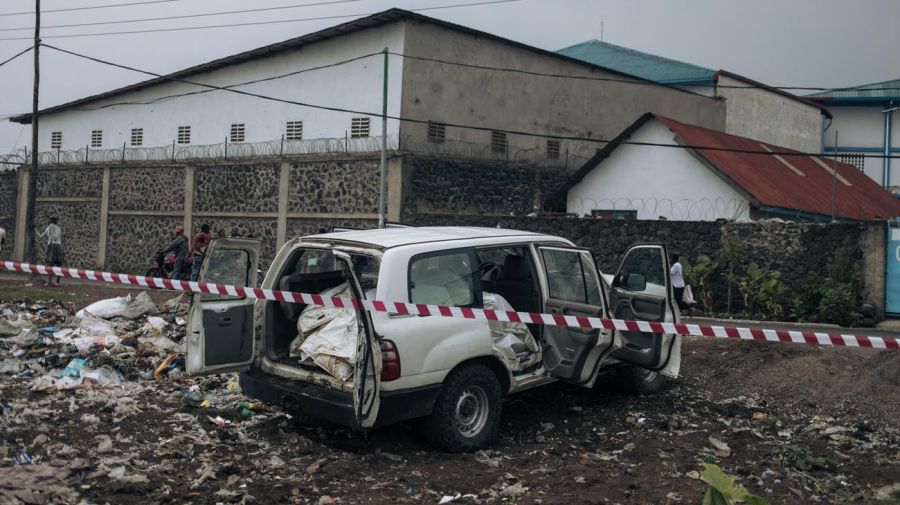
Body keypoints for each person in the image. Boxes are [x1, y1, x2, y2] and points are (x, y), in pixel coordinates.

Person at [37, 217, 64, 286]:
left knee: (58, 264)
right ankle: (51, 281)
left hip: (56, 246)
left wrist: (52, 230)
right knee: (51, 264)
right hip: (52, 246)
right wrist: (35, 229)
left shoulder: (58, 229)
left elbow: (55, 238)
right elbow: (40, 235)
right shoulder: (49, 228)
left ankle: (56, 282)